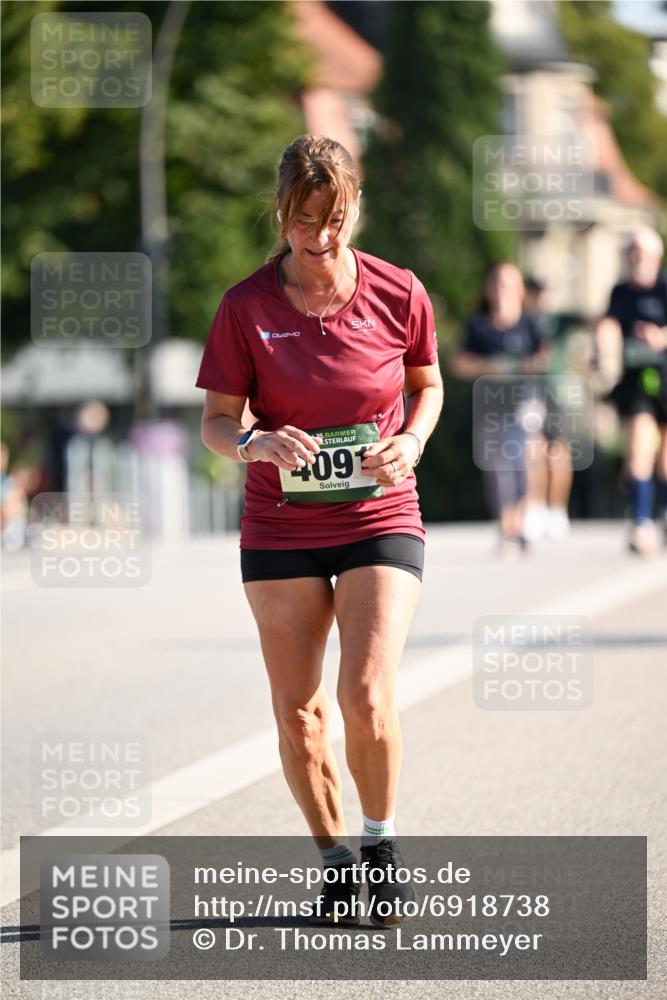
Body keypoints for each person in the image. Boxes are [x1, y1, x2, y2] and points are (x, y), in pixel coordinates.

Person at [196, 135, 443, 925]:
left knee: (364, 692)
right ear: (281, 213)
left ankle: (380, 846)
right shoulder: (245, 306)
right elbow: (214, 420)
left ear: (354, 208)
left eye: (334, 219)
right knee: (299, 711)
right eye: (305, 221)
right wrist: (251, 442)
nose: (320, 236)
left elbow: (426, 384)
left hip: (378, 513)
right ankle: (333, 860)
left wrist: (410, 439)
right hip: (279, 524)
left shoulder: (399, 291)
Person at [450, 262, 551, 558]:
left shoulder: (530, 323)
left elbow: (545, 355)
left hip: (524, 402)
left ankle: (521, 521)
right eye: (498, 284)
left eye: (509, 284)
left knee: (522, 459)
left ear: (519, 291)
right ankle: (507, 526)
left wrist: (524, 366)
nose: (502, 291)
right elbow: (459, 363)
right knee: (497, 470)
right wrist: (488, 367)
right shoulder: (478, 325)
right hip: (491, 405)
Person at [595, 226, 667, 556]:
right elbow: (608, 325)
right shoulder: (620, 292)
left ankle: (660, 513)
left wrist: (660, 337)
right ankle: (641, 523)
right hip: (637, 383)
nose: (636, 260)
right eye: (631, 254)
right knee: (639, 448)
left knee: (664, 461)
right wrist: (604, 348)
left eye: (641, 254)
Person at [521, 277, 573, 542]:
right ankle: (536, 506)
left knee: (557, 451)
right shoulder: (523, 320)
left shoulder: (559, 320)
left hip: (557, 391)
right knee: (532, 450)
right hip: (530, 393)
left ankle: (557, 509)